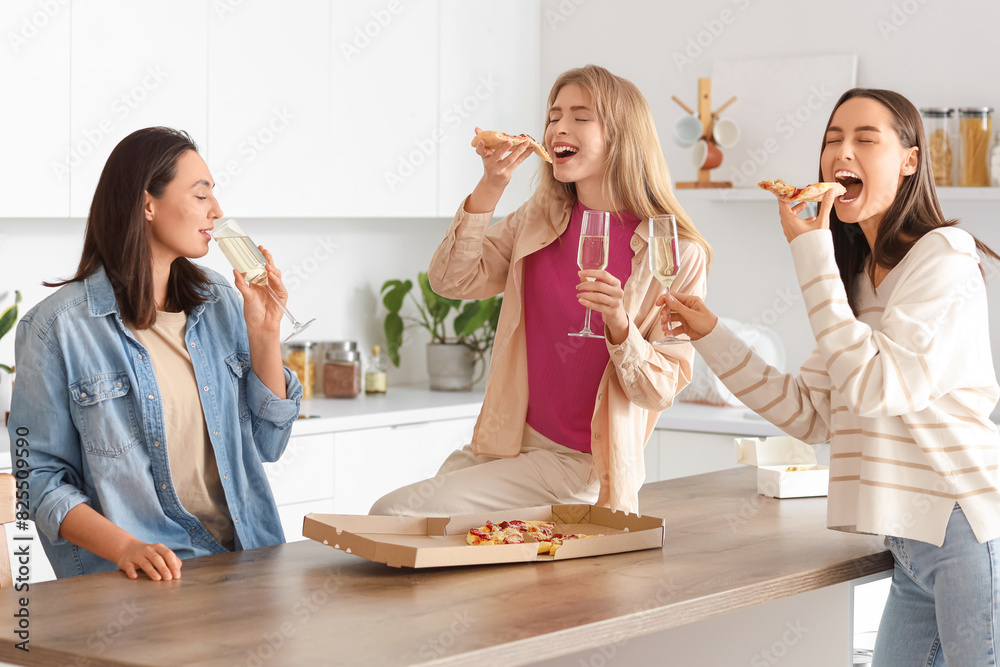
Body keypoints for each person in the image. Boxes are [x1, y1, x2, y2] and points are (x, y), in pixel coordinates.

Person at [664, 89, 1000, 667]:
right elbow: (810, 414)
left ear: (910, 160)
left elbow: (879, 387)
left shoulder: (944, 257)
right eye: (831, 140)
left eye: (866, 139)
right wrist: (709, 333)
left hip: (967, 528)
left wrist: (812, 254)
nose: (842, 152)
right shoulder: (858, 281)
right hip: (910, 543)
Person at [370, 65, 711, 517]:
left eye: (580, 116)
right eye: (553, 116)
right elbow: (452, 280)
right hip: (505, 444)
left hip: (578, 465)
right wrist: (492, 185)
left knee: (392, 515)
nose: (558, 128)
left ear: (622, 134)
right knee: (411, 535)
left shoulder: (676, 252)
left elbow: (660, 389)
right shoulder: (541, 217)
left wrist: (619, 325)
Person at [9, 127, 302, 580]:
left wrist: (265, 331)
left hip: (247, 561)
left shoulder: (221, 300)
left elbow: (269, 443)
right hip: (140, 582)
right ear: (148, 204)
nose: (218, 211)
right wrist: (127, 547)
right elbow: (39, 479)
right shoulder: (55, 329)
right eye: (201, 195)